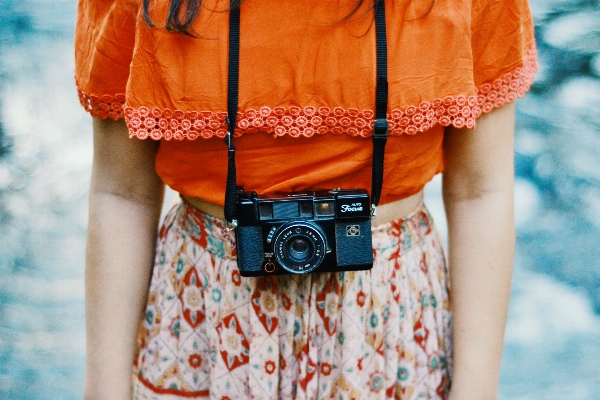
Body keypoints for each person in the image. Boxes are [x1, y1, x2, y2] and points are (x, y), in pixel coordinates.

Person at [75, 0, 536, 398]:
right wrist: (104, 388)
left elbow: (481, 191)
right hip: (203, 324)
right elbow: (123, 192)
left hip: (390, 324)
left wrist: (476, 387)